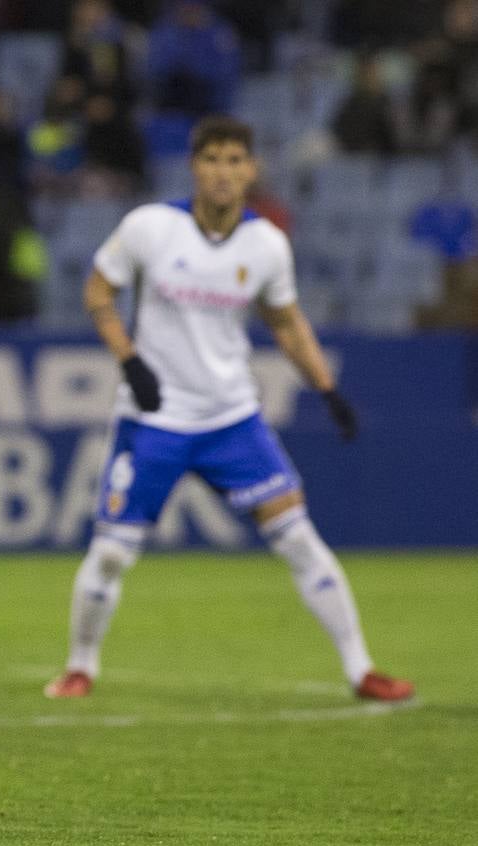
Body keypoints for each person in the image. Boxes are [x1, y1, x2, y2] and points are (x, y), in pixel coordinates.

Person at [43, 116, 414, 703]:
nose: (223, 171)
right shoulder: (150, 228)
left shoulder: (266, 244)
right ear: (195, 166)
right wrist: (131, 362)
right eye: (212, 159)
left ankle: (361, 670)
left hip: (231, 418)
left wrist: (326, 389)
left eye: (235, 160)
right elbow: (98, 292)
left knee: (297, 537)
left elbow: (286, 322)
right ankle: (80, 666)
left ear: (252, 170)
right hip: (155, 419)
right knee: (112, 551)